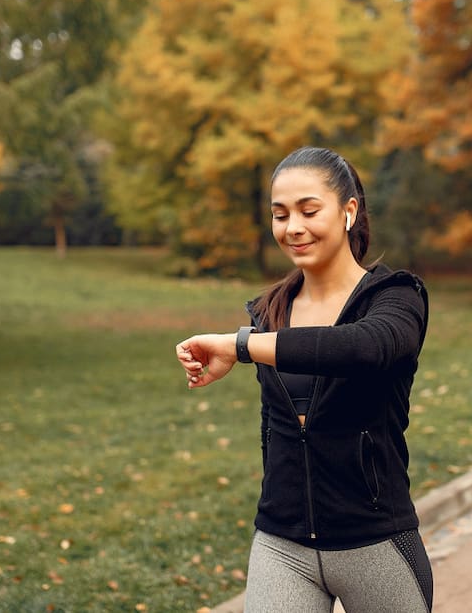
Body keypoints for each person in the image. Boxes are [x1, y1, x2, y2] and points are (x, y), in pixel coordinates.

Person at [174, 147, 433, 613]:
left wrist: (242, 346)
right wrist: (252, 337)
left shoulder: (395, 298)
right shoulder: (268, 310)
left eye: (309, 210)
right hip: (282, 543)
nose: (293, 227)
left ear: (349, 211)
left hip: (375, 541)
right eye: (280, 214)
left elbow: (362, 347)